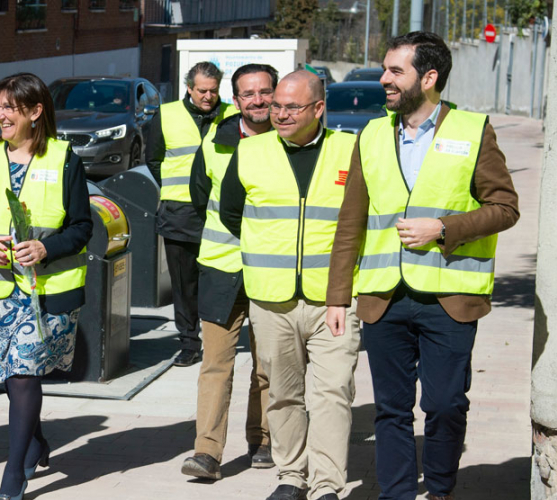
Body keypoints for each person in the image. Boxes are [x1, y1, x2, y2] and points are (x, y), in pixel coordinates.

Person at [325, 32, 520, 500]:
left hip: (449, 300)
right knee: (391, 410)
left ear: (429, 78)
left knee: (445, 404)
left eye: (396, 71)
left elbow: (505, 207)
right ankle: (395, 494)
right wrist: (337, 295)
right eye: (385, 69)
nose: (384, 79)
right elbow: (351, 219)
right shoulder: (371, 134)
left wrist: (444, 228)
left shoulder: (473, 130)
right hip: (383, 297)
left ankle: (438, 488)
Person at [220, 70, 361, 500]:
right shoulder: (250, 152)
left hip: (333, 299)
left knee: (333, 393)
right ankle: (291, 477)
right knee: (281, 394)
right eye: (276, 105)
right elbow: (231, 213)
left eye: (290, 107)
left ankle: (325, 486)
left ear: (319, 108)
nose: (278, 113)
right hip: (270, 298)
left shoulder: (351, 151)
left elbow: (362, 222)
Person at [0, 72, 92, 500]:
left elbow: (83, 227)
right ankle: (34, 439)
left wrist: (46, 250)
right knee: (13, 378)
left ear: (35, 112)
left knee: (25, 374)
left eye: (9, 108)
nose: (0, 115)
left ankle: (13, 476)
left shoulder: (65, 159)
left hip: (45, 295)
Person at [180, 63, 279, 480]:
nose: (257, 100)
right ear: (234, 100)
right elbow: (201, 198)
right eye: (248, 94)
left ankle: (263, 438)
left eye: (264, 91)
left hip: (273, 272)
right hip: (222, 270)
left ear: (276, 93)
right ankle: (207, 453)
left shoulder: (291, 142)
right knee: (216, 364)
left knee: (269, 363)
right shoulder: (215, 142)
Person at [145, 61, 238, 367]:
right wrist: (176, 188)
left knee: (216, 279)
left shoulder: (232, 116)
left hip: (220, 211)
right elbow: (154, 159)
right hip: (179, 211)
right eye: (202, 91)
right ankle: (188, 343)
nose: (208, 96)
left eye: (213, 90)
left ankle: (217, 338)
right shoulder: (167, 114)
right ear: (189, 88)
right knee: (184, 283)